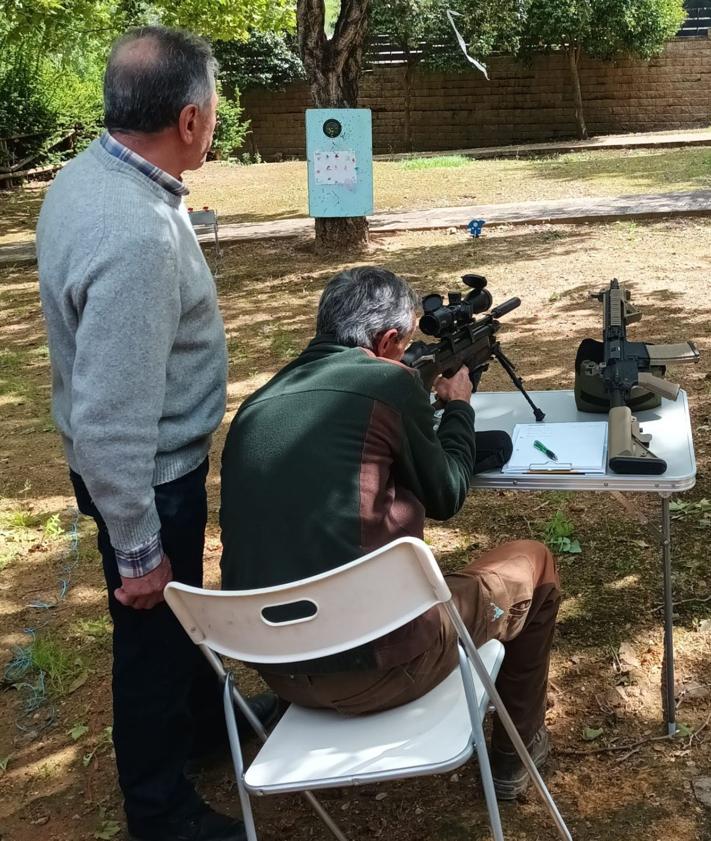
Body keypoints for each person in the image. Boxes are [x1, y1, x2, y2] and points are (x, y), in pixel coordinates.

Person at [37, 26, 274, 841]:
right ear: (187, 120)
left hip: (145, 464)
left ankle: (208, 725)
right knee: (149, 630)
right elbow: (110, 415)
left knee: (179, 616)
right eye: (211, 107)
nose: (214, 118)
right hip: (143, 472)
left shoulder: (87, 175)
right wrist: (138, 548)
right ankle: (159, 808)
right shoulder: (135, 234)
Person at [220, 266, 561, 800]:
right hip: (382, 667)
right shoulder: (388, 380)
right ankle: (514, 756)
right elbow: (447, 495)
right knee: (535, 559)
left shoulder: (257, 403)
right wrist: (460, 409)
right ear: (385, 342)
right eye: (403, 345)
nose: (407, 356)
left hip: (277, 669)